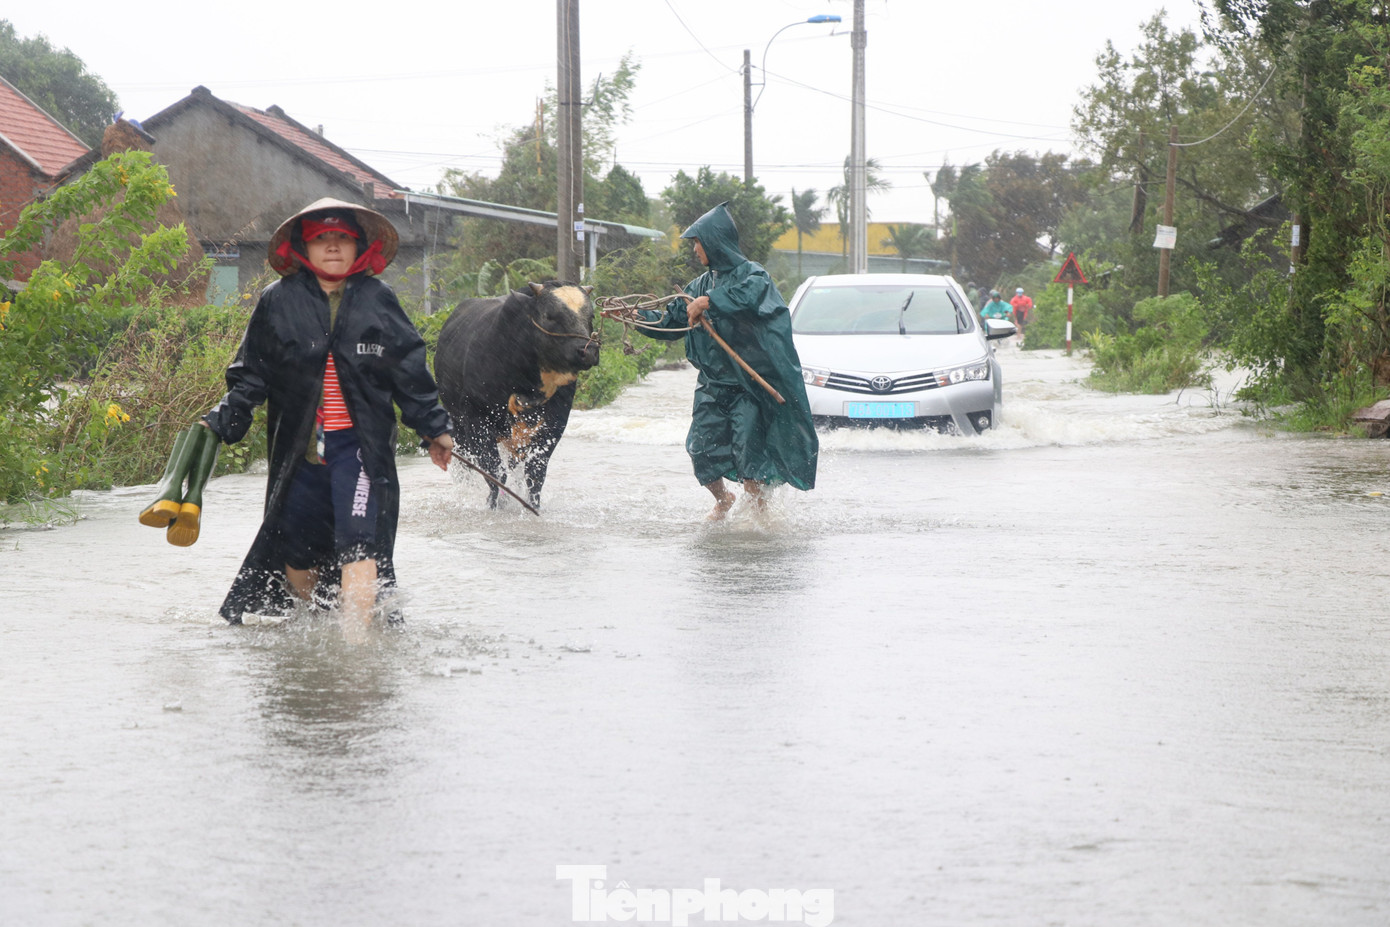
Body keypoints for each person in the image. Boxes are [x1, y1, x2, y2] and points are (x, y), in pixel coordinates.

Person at [200, 197, 454, 628]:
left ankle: (356, 648)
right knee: (296, 549)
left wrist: (435, 428)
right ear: (303, 248)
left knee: (361, 543)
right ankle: (314, 623)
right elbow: (252, 375)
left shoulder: (379, 299)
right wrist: (221, 420)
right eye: (322, 239)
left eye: (342, 238)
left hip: (359, 447)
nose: (333, 247)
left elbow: (409, 370)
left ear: (359, 247)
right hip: (300, 448)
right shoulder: (278, 301)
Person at [634, 202, 817, 520]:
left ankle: (760, 517)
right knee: (700, 450)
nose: (695, 250)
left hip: (747, 385)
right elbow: (671, 320)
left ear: (715, 241)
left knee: (749, 452)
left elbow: (748, 298)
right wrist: (637, 317)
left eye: (698, 242)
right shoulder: (699, 285)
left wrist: (710, 302)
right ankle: (723, 499)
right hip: (712, 384)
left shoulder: (754, 275)